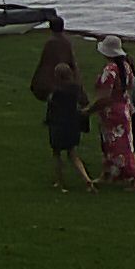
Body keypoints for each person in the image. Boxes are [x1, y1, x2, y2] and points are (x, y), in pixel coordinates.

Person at [88, 35, 135, 192]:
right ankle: (107, 174)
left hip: (111, 111)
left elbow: (105, 95)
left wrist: (90, 109)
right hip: (123, 108)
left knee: (120, 148)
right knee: (113, 145)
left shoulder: (110, 70)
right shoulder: (126, 67)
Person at [44, 63, 96, 192]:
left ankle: (60, 182)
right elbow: (84, 103)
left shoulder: (56, 91)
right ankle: (86, 179)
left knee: (57, 154)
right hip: (73, 125)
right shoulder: (77, 88)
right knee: (72, 154)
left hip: (58, 125)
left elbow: (51, 109)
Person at [29, 16, 79, 100]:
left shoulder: (51, 43)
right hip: (65, 75)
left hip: (57, 77)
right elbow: (71, 61)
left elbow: (45, 63)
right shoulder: (66, 42)